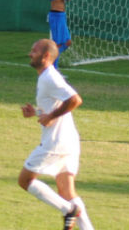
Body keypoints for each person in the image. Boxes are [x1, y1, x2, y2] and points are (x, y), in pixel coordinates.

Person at [18, 39, 95, 230]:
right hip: (70, 141)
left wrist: (51, 116)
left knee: (25, 180)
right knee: (67, 191)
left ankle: (68, 210)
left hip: (55, 143)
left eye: (34, 51)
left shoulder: (49, 78)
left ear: (45, 56)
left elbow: (75, 100)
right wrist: (37, 112)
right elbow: (56, 106)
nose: (30, 54)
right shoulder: (46, 77)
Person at [47, 0, 80, 67]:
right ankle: (52, 67)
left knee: (67, 42)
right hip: (56, 15)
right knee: (58, 43)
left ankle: (51, 61)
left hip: (59, 15)